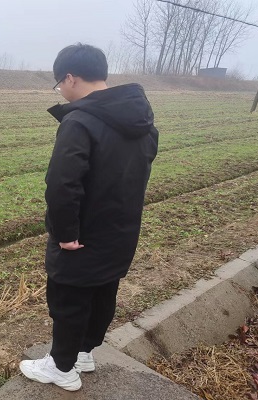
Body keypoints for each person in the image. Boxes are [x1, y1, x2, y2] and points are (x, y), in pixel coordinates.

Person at [19, 43, 159, 391]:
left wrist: (66, 233)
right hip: (121, 231)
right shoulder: (141, 119)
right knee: (103, 292)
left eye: (59, 84)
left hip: (83, 233)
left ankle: (61, 368)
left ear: (70, 78)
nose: (61, 92)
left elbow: (62, 184)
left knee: (69, 299)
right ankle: (83, 353)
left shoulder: (80, 121)